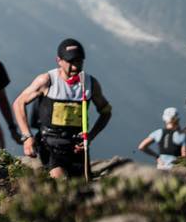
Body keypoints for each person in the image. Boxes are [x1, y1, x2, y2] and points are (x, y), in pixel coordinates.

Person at [12, 38, 112, 179]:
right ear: (59, 60)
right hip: (50, 144)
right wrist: (27, 137)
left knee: (82, 189)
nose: (75, 67)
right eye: (70, 62)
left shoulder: (90, 84)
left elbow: (106, 112)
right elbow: (18, 103)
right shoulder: (47, 80)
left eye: (79, 62)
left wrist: (91, 136)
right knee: (60, 179)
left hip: (77, 146)